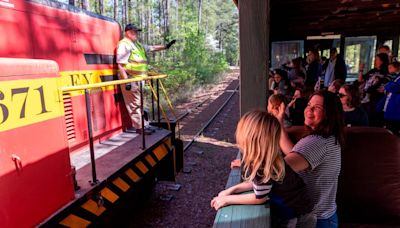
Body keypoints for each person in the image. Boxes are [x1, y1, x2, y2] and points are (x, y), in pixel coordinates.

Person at [212, 111, 315, 227]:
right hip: (301, 211)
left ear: (251, 140)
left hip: (297, 217)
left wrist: (227, 200)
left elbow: (259, 198)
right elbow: (258, 185)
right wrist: (232, 190)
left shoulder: (263, 166)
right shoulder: (270, 159)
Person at [273, 90, 345, 228]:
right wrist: (279, 122)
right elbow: (294, 154)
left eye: (317, 107)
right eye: (309, 104)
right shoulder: (328, 139)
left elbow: (276, 171)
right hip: (325, 218)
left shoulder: (317, 142)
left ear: (329, 114)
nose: (309, 109)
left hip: (316, 221)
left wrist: (253, 163)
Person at [116, 24, 176, 134]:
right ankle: (140, 128)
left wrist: (165, 46)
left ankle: (145, 125)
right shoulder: (124, 44)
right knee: (135, 105)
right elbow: (120, 64)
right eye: (134, 32)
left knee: (140, 103)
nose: (136, 34)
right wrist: (126, 81)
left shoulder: (136, 45)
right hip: (131, 79)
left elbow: (151, 48)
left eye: (137, 32)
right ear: (127, 32)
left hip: (140, 79)